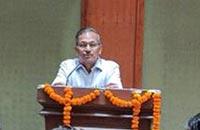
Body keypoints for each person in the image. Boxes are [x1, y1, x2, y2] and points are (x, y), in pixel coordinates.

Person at [52, 27, 123, 89]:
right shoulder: (67, 66)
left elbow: (116, 94)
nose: (88, 49)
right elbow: (57, 90)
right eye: (83, 45)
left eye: (92, 45)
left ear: (100, 49)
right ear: (76, 50)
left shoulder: (110, 68)